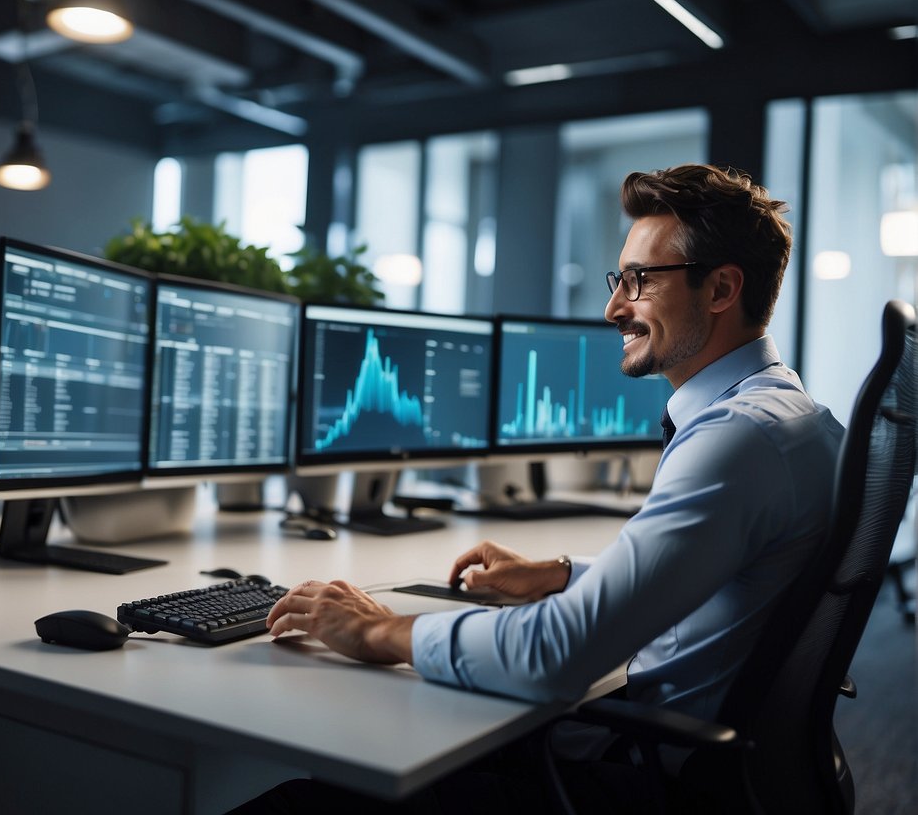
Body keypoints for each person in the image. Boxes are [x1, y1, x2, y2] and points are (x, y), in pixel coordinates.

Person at [248, 164, 844, 812]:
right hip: (714, 766)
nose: (614, 306)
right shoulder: (793, 418)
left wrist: (380, 633)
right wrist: (562, 574)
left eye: (640, 281)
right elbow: (714, 578)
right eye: (620, 280)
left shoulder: (737, 438)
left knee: (305, 796)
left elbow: (555, 654)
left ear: (720, 288)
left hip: (642, 784)